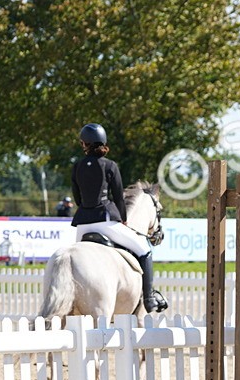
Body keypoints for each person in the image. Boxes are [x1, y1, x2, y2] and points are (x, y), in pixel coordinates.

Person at [70, 123, 167, 313]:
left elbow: (77, 197)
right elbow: (117, 197)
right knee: (145, 250)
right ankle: (149, 299)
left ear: (84, 144)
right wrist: (122, 219)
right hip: (106, 222)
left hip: (82, 226)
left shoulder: (77, 166)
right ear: (103, 143)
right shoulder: (110, 165)